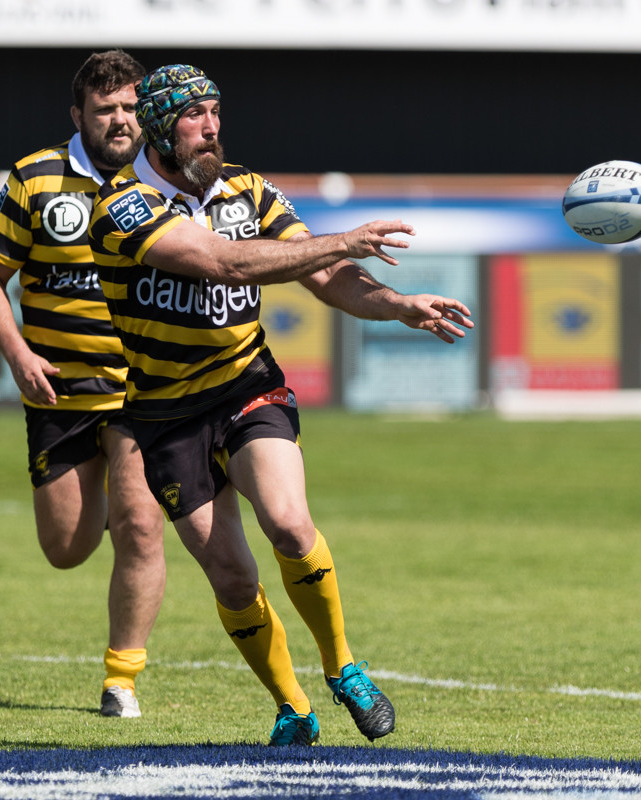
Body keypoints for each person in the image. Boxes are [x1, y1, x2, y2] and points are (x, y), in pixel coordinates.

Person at [88, 64, 474, 746]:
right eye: (193, 116)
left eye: (215, 111)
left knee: (291, 525)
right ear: (157, 127)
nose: (211, 126)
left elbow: (325, 273)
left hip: (245, 386)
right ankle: (293, 709)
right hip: (164, 415)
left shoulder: (247, 188)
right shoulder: (123, 206)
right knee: (234, 578)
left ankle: (343, 668)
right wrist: (345, 238)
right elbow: (224, 264)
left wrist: (397, 307)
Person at [0, 50, 167, 719]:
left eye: (131, 107)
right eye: (105, 108)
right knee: (66, 548)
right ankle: (108, 493)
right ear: (77, 114)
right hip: (58, 392)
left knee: (141, 525)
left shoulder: (168, 179)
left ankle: (121, 682)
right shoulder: (34, 179)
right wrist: (19, 354)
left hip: (141, 392)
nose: (120, 120)